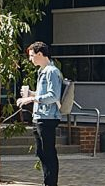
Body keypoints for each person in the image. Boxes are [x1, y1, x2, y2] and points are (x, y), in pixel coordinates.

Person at [15, 41, 63, 186]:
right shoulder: (42, 71)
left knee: (48, 152)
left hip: (48, 117)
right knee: (41, 152)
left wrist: (31, 98)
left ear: (40, 54)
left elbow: (53, 96)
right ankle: (47, 181)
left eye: (32, 56)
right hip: (39, 116)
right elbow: (44, 94)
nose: (30, 59)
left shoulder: (51, 71)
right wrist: (30, 94)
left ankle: (51, 183)